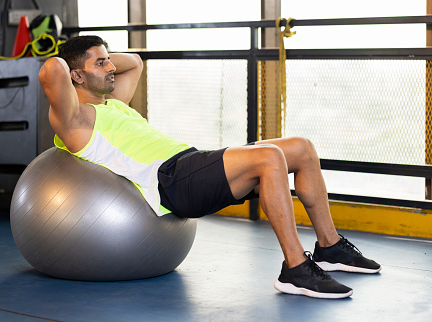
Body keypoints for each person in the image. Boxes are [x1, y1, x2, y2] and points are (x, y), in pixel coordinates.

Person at [39, 35, 381, 299]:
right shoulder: (75, 120)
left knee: (301, 149)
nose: (112, 67)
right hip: (170, 181)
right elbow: (50, 70)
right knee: (270, 157)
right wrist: (70, 54)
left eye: (109, 60)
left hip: (190, 161)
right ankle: (295, 269)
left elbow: (136, 63)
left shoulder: (114, 103)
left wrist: (98, 57)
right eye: (101, 64)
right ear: (76, 76)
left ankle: (330, 247)